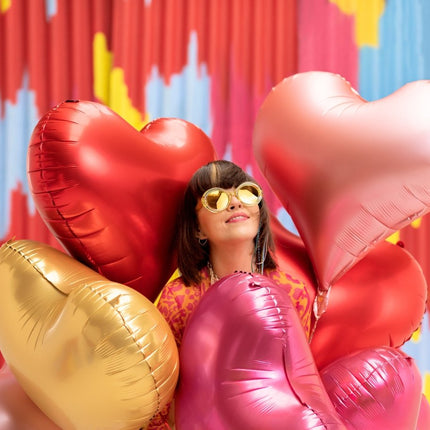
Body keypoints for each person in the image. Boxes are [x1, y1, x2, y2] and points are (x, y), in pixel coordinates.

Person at [147, 160, 313, 429]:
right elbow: (159, 406)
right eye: (216, 199)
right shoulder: (179, 300)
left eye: (246, 192)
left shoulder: (293, 293)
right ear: (198, 228)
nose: (235, 203)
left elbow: (298, 385)